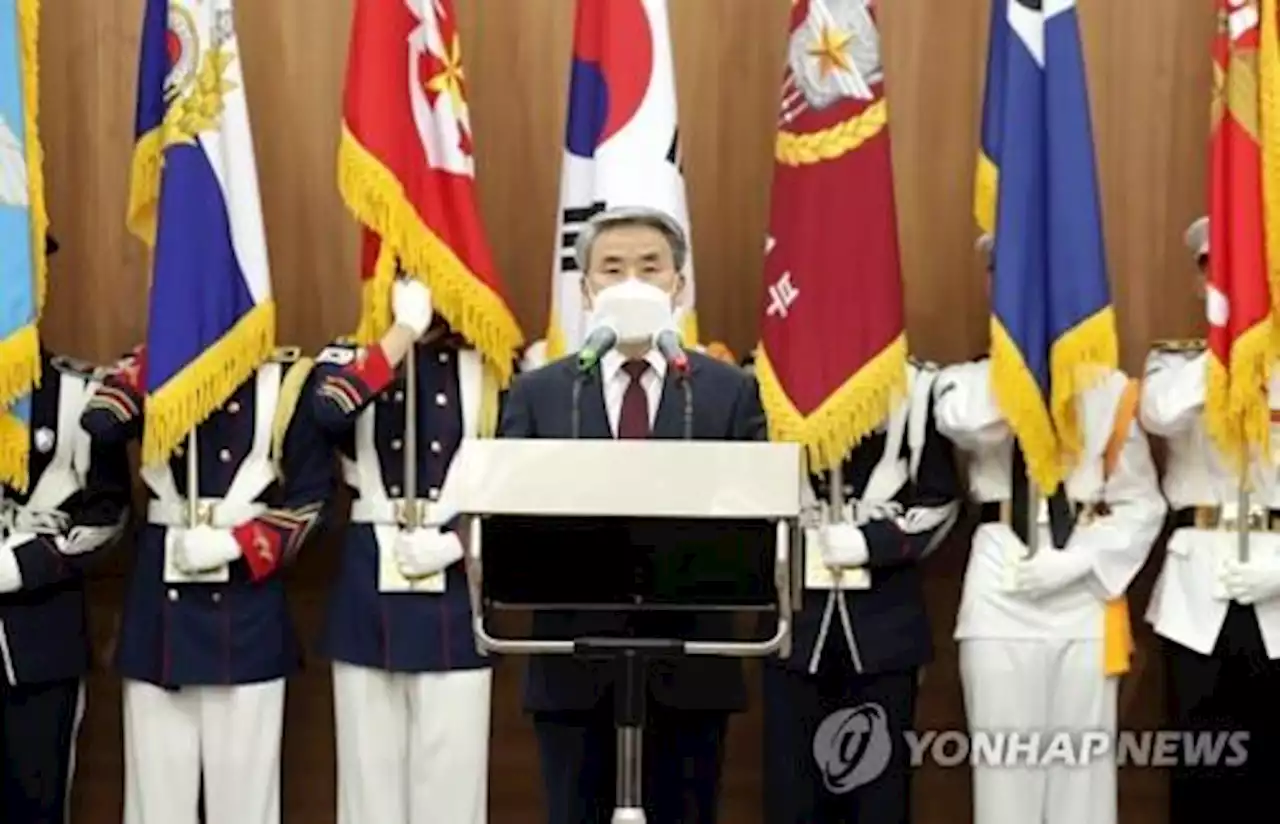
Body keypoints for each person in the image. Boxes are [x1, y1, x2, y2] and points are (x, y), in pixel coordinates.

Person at [498, 205, 766, 824]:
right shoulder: (541, 392)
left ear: (679, 283)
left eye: (651, 268)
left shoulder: (727, 391)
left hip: (692, 659)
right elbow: (509, 511)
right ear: (587, 289)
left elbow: (753, 513)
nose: (632, 283)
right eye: (612, 269)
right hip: (573, 660)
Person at [933, 233, 1165, 824]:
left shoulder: (1110, 391)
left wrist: (1084, 561)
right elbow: (970, 426)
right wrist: (1028, 361)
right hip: (1000, 584)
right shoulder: (965, 383)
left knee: (1081, 783)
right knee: (1005, 778)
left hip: (1081, 589)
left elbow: (1143, 504)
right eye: (1007, 276)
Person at [80, 339, 330, 824]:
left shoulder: (287, 382)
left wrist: (241, 543)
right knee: (156, 807)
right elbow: (102, 422)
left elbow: (313, 500)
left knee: (245, 808)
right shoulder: (152, 370)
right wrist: (166, 345)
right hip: (161, 620)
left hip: (247, 614)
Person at [310, 276, 500, 824]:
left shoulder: (490, 365)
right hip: (369, 584)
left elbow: (520, 479)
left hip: (456, 582)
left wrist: (457, 541)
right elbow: (328, 412)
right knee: (368, 784)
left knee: (452, 783)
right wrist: (401, 333)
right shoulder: (350, 357)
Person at [761, 358, 961, 824]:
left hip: (882, 629)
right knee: (792, 797)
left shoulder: (914, 387)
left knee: (879, 797)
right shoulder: (768, 381)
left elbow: (940, 500)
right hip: (796, 626)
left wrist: (873, 543)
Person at [1142, 216, 1280, 822]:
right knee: (1201, 767)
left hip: (1277, 583)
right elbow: (1158, 413)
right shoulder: (1174, 365)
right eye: (1214, 269)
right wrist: (1233, 343)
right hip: (1198, 594)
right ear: (1201, 283)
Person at [0, 236, 132, 822]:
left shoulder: (81, 395)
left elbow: (108, 514)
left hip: (39, 643)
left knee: (39, 806)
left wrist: (26, 563)